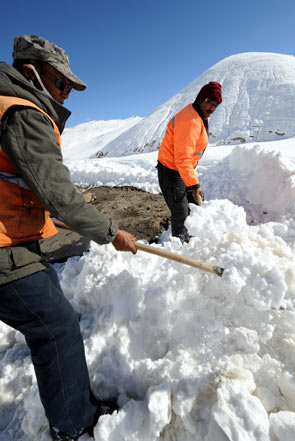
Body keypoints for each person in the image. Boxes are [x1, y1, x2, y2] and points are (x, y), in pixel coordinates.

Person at [0, 35, 137, 441]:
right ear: (31, 73)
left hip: (16, 239)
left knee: (54, 305)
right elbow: (60, 196)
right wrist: (111, 232)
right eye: (60, 83)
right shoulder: (22, 112)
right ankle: (75, 425)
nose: (64, 93)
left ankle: (73, 399)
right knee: (56, 326)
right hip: (4, 247)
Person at [157, 81, 222, 243]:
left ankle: (193, 236)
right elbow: (183, 158)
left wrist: (192, 184)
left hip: (182, 170)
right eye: (209, 102)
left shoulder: (197, 113)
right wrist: (194, 185)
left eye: (216, 104)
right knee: (181, 212)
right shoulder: (190, 121)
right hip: (172, 171)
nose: (212, 107)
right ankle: (181, 246)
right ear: (200, 99)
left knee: (194, 205)